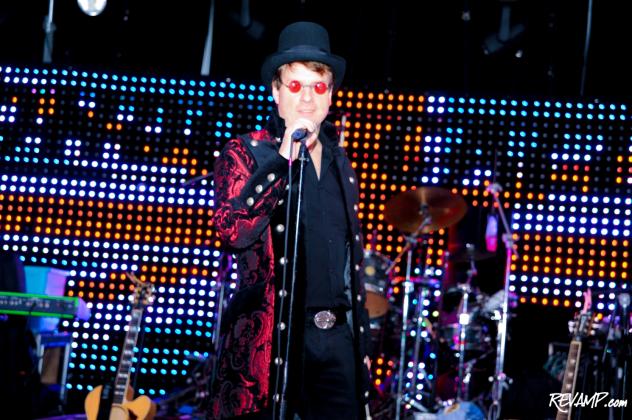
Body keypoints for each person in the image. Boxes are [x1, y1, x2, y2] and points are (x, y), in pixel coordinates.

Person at [209, 21, 371, 419]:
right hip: (272, 342)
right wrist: (282, 159)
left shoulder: (341, 164)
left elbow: (349, 266)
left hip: (336, 342)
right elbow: (232, 231)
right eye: (295, 85)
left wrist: (360, 347)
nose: (307, 99)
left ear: (330, 95)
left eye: (318, 87)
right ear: (276, 92)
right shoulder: (245, 153)